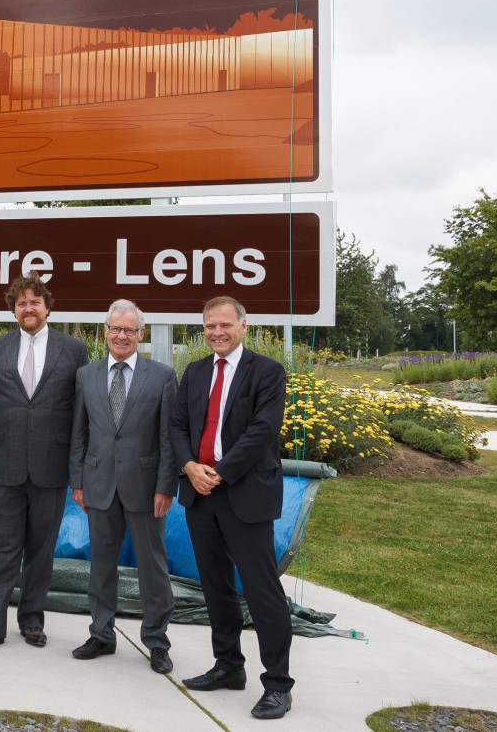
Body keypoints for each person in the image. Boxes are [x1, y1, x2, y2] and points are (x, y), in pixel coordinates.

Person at [169, 295, 294, 720]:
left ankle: (277, 684)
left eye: (224, 325)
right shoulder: (196, 371)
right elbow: (179, 425)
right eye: (209, 326)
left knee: (261, 591)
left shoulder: (267, 372)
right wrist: (188, 466)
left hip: (243, 492)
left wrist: (218, 471)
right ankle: (228, 666)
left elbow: (263, 431)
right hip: (199, 494)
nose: (217, 333)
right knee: (214, 587)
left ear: (244, 326)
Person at [0, 273, 88, 652]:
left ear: (47, 307)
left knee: (41, 550)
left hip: (51, 466)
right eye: (21, 303)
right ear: (14, 310)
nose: (28, 308)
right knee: (1, 550)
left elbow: (78, 409)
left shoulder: (72, 350)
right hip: (5, 465)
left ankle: (32, 622)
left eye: (34, 302)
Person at [69, 299, 178, 675]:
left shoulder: (162, 376)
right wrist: (77, 481)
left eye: (129, 330)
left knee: (153, 568)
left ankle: (157, 643)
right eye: (115, 329)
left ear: (140, 334)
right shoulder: (86, 375)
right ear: (106, 332)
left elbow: (168, 438)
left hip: (147, 489)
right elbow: (78, 434)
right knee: (101, 566)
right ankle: (101, 634)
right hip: (98, 485)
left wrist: (166, 485)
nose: (121, 336)